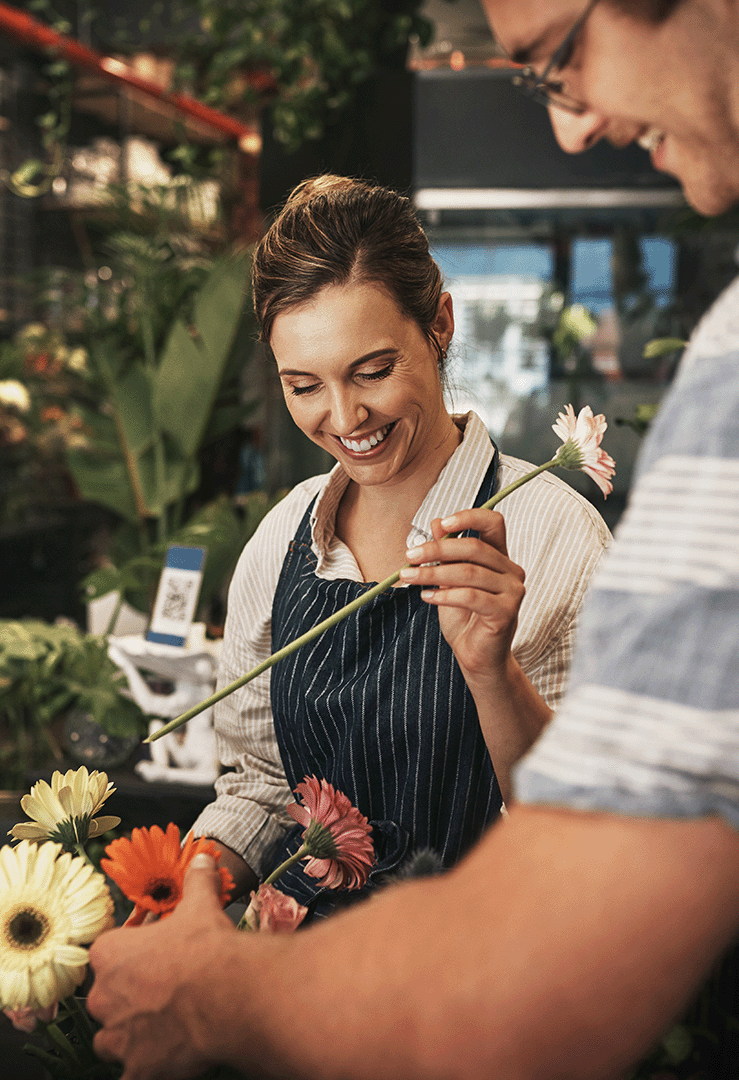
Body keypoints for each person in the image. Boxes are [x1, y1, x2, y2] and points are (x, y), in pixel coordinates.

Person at [87, 2, 739, 1077]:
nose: (572, 128)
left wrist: (217, 997)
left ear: (439, 326)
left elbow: (566, 945)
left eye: (556, 57)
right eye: (305, 385)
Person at [187, 175, 610, 916]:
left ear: (439, 324)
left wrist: (490, 672)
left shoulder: (555, 534)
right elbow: (260, 786)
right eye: (303, 386)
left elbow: (587, 819)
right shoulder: (284, 537)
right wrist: (183, 890)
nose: (345, 417)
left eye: (373, 372)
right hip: (300, 957)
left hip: (476, 957)